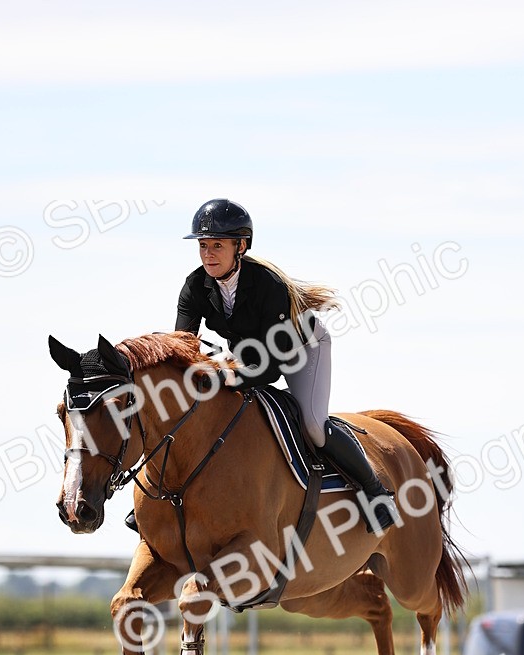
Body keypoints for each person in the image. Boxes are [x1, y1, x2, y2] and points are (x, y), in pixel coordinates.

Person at [125, 198, 398, 534]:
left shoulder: (268, 286)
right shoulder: (195, 286)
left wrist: (226, 375)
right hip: (248, 353)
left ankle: (375, 492)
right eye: (203, 245)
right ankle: (155, 500)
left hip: (300, 348)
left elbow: (270, 370)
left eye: (217, 246)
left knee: (312, 424)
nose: (208, 254)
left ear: (240, 246)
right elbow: (184, 346)